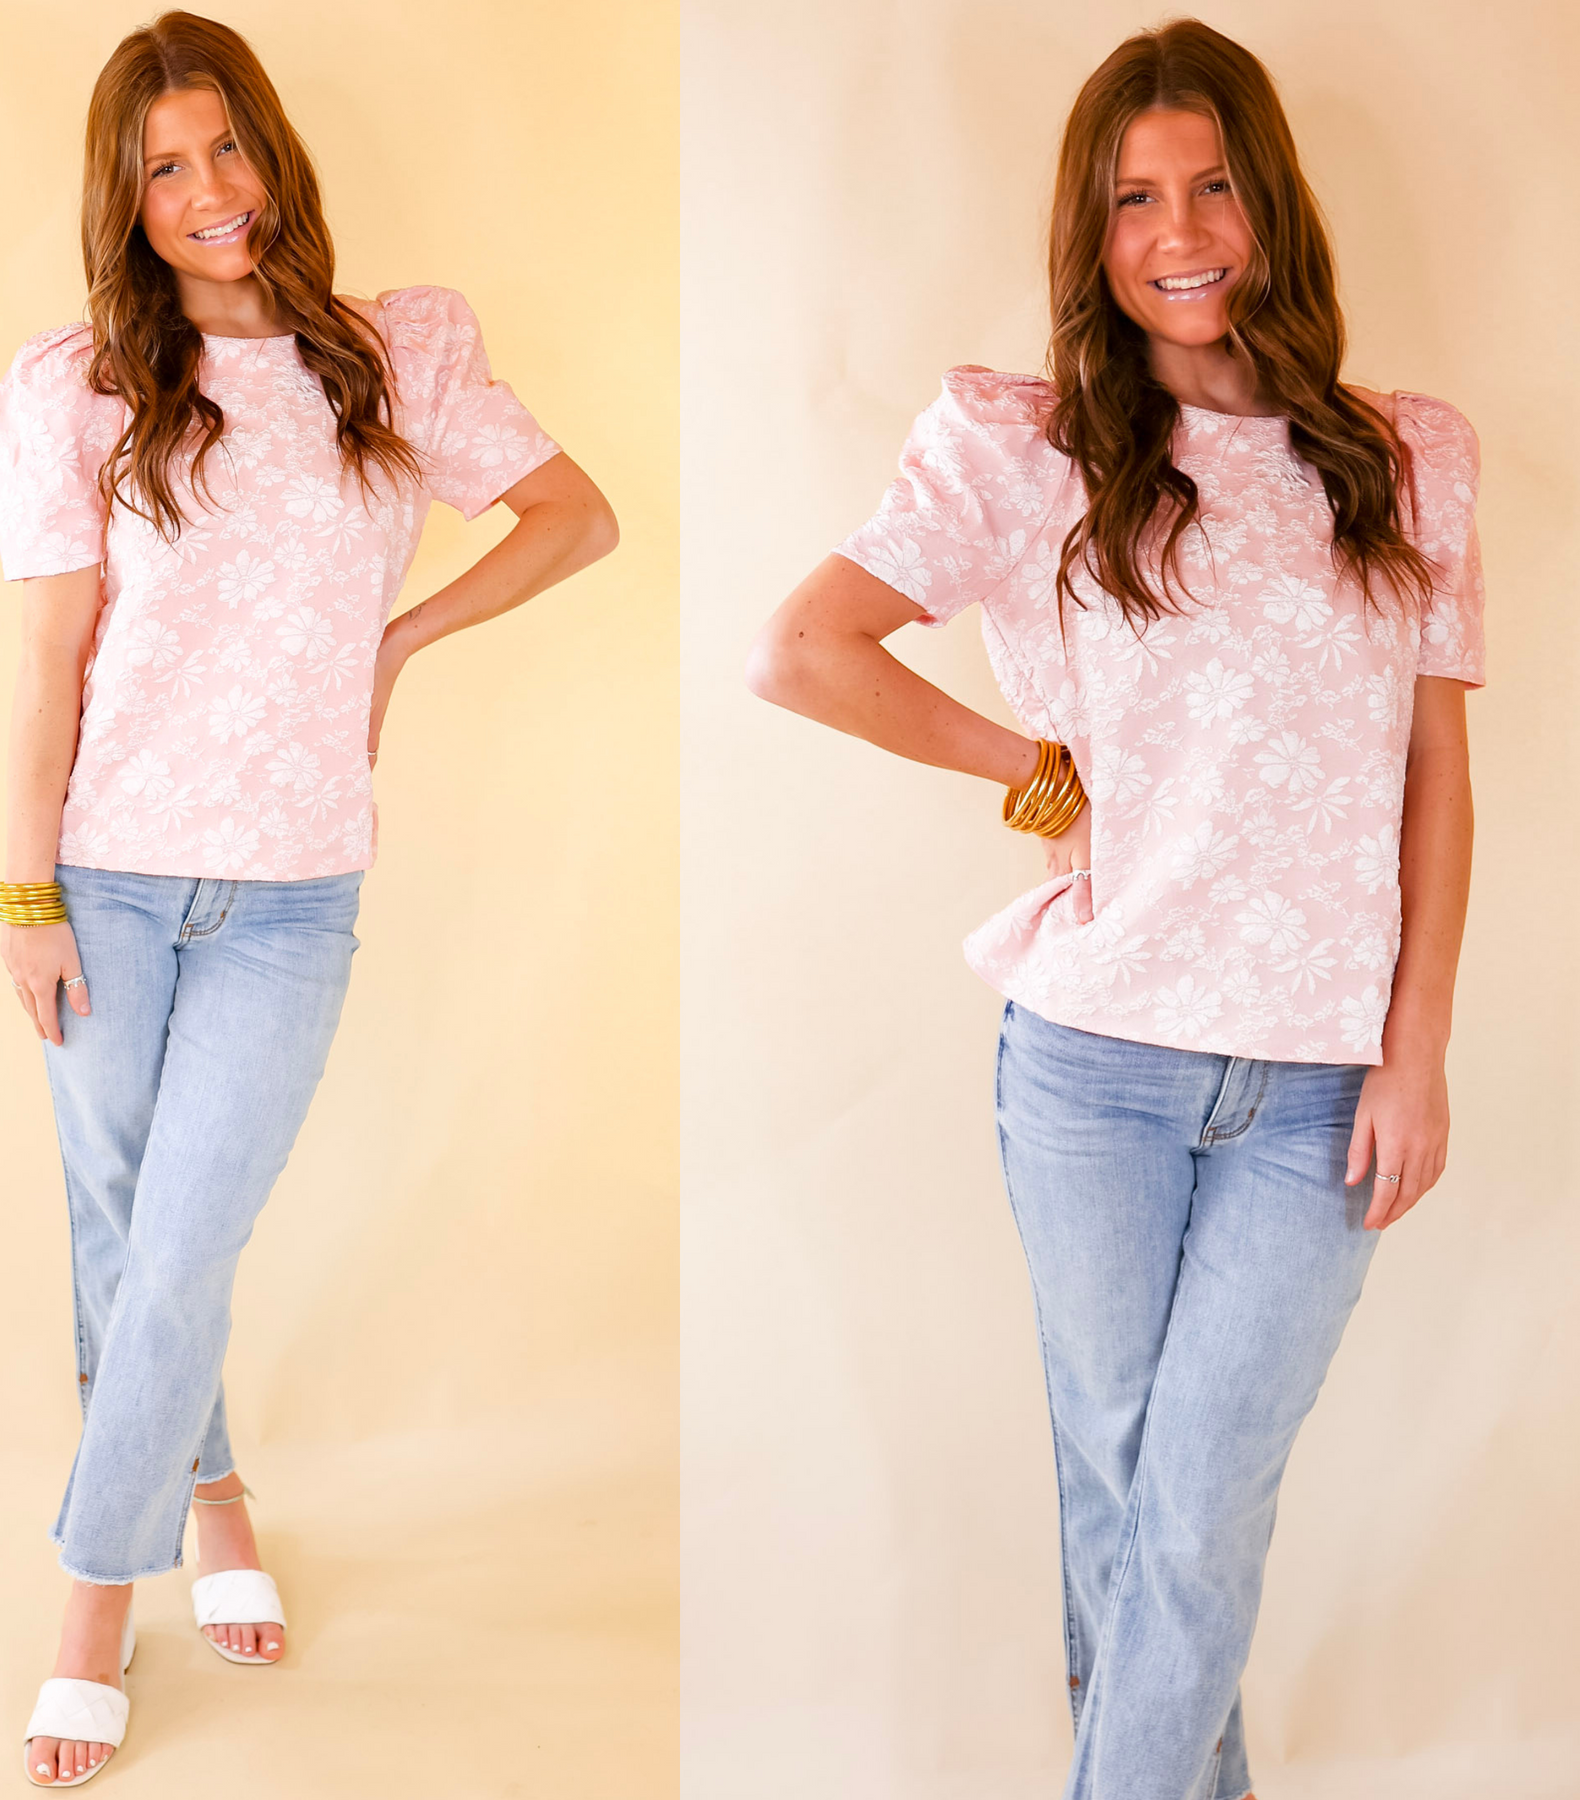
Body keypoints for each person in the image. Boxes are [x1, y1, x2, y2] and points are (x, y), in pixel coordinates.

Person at [746, 19, 1481, 1800]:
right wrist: (1033, 769)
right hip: (1094, 1068)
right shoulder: (1032, 449)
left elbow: (1436, 778)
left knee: (1197, 1501)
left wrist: (1418, 1050)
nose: (1180, 231)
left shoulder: (1406, 458)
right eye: (1135, 198)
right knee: (1124, 1483)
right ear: (1091, 231)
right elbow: (803, 648)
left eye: (1213, 185)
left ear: (1272, 202)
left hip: (1319, 1078)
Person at [0, 13, 616, 1786]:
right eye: (163, 168)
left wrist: (396, 643)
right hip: (105, 877)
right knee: (126, 1239)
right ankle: (211, 1497)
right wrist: (22, 895)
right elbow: (48, 664)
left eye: (228, 147)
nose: (209, 192)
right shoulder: (77, 388)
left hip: (290, 893)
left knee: (181, 1244)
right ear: (124, 198)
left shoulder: (392, 357)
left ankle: (88, 1605)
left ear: (272, 150)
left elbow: (575, 518)